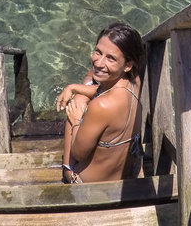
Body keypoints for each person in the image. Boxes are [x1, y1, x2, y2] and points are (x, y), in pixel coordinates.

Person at [55, 21, 145, 184]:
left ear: (127, 65)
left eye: (110, 58)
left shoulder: (101, 106)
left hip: (89, 185)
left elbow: (78, 154)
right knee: (91, 77)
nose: (99, 62)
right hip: (129, 172)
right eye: (98, 52)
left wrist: (75, 120)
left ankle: (67, 174)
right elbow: (104, 90)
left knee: (77, 102)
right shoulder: (135, 81)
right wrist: (73, 87)